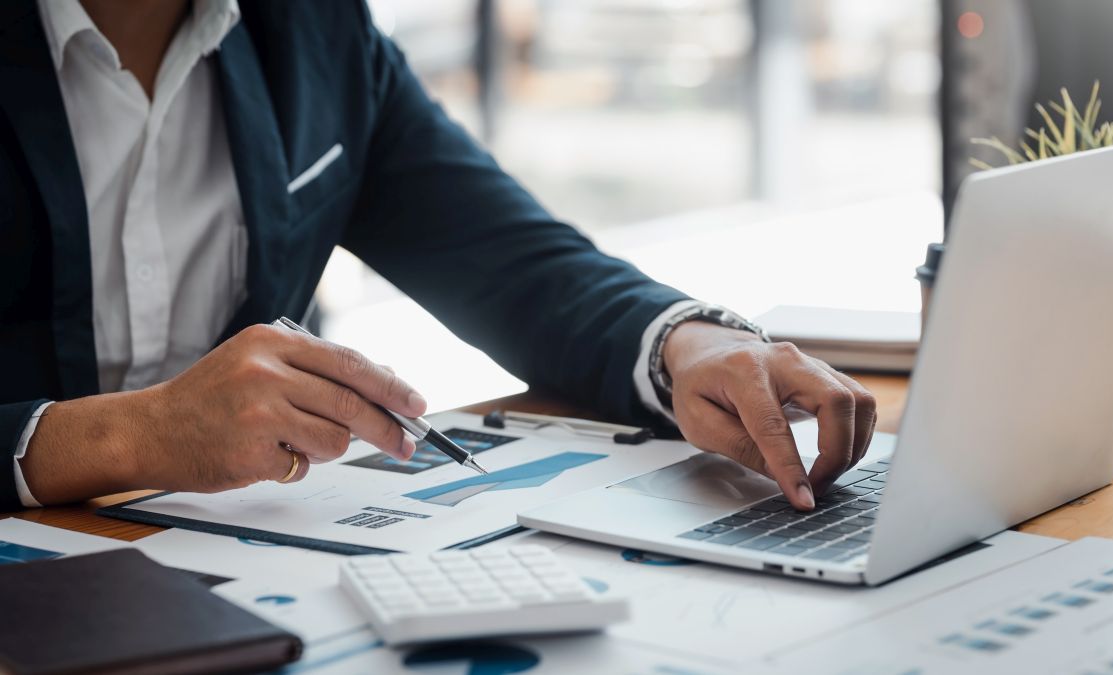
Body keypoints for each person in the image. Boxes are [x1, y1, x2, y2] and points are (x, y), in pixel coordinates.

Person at [0, 0, 876, 513]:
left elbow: (511, 261)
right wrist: (126, 435)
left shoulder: (316, 31)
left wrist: (686, 343)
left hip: (231, 568)